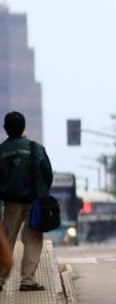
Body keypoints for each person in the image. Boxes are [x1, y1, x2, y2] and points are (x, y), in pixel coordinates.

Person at [0, 112, 54, 291]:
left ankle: (0, 279)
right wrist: (41, 192)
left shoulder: (2, 150)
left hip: (11, 203)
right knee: (33, 240)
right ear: (23, 127)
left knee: (6, 240)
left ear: (5, 129)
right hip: (34, 204)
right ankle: (28, 281)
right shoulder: (35, 148)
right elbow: (47, 173)